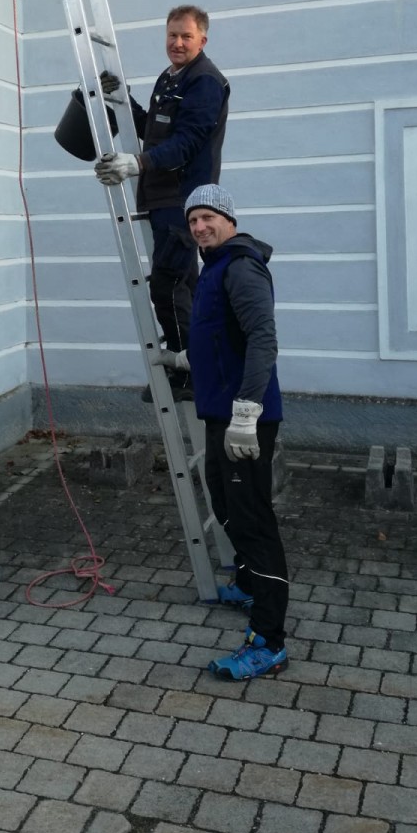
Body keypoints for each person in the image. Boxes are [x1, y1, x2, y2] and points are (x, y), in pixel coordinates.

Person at [155, 183, 289, 681]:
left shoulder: (240, 266)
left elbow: (262, 338)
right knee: (224, 502)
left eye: (208, 217)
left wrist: (247, 412)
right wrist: (180, 358)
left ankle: (269, 640)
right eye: (192, 220)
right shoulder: (215, 269)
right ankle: (251, 583)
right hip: (219, 415)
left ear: (229, 219)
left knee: (253, 522)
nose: (198, 227)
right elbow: (221, 341)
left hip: (244, 421)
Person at [94, 6, 230, 399]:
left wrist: (136, 163)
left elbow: (187, 143)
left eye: (186, 36)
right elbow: (152, 130)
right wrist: (123, 99)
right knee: (182, 286)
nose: (177, 43)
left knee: (167, 286)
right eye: (172, 35)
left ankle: (188, 373)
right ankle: (189, 367)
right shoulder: (170, 79)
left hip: (180, 198)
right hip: (160, 197)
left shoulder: (204, 82)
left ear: (202, 40)